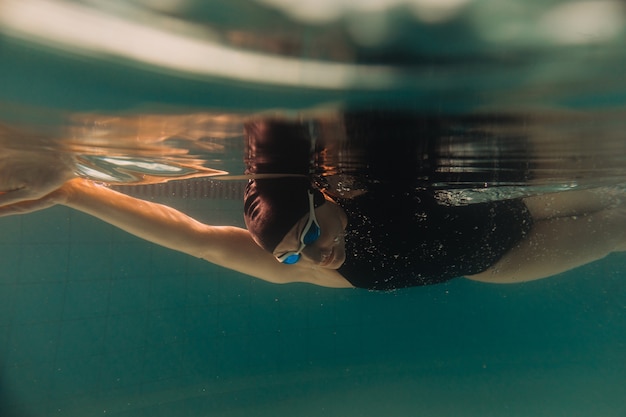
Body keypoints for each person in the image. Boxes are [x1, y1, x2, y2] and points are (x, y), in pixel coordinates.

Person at [1, 113, 625, 290]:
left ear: (324, 199)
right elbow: (194, 239)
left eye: (307, 237)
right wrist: (72, 192)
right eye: (294, 257)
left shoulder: (360, 180)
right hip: (506, 258)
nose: (315, 256)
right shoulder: (298, 258)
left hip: (511, 209)